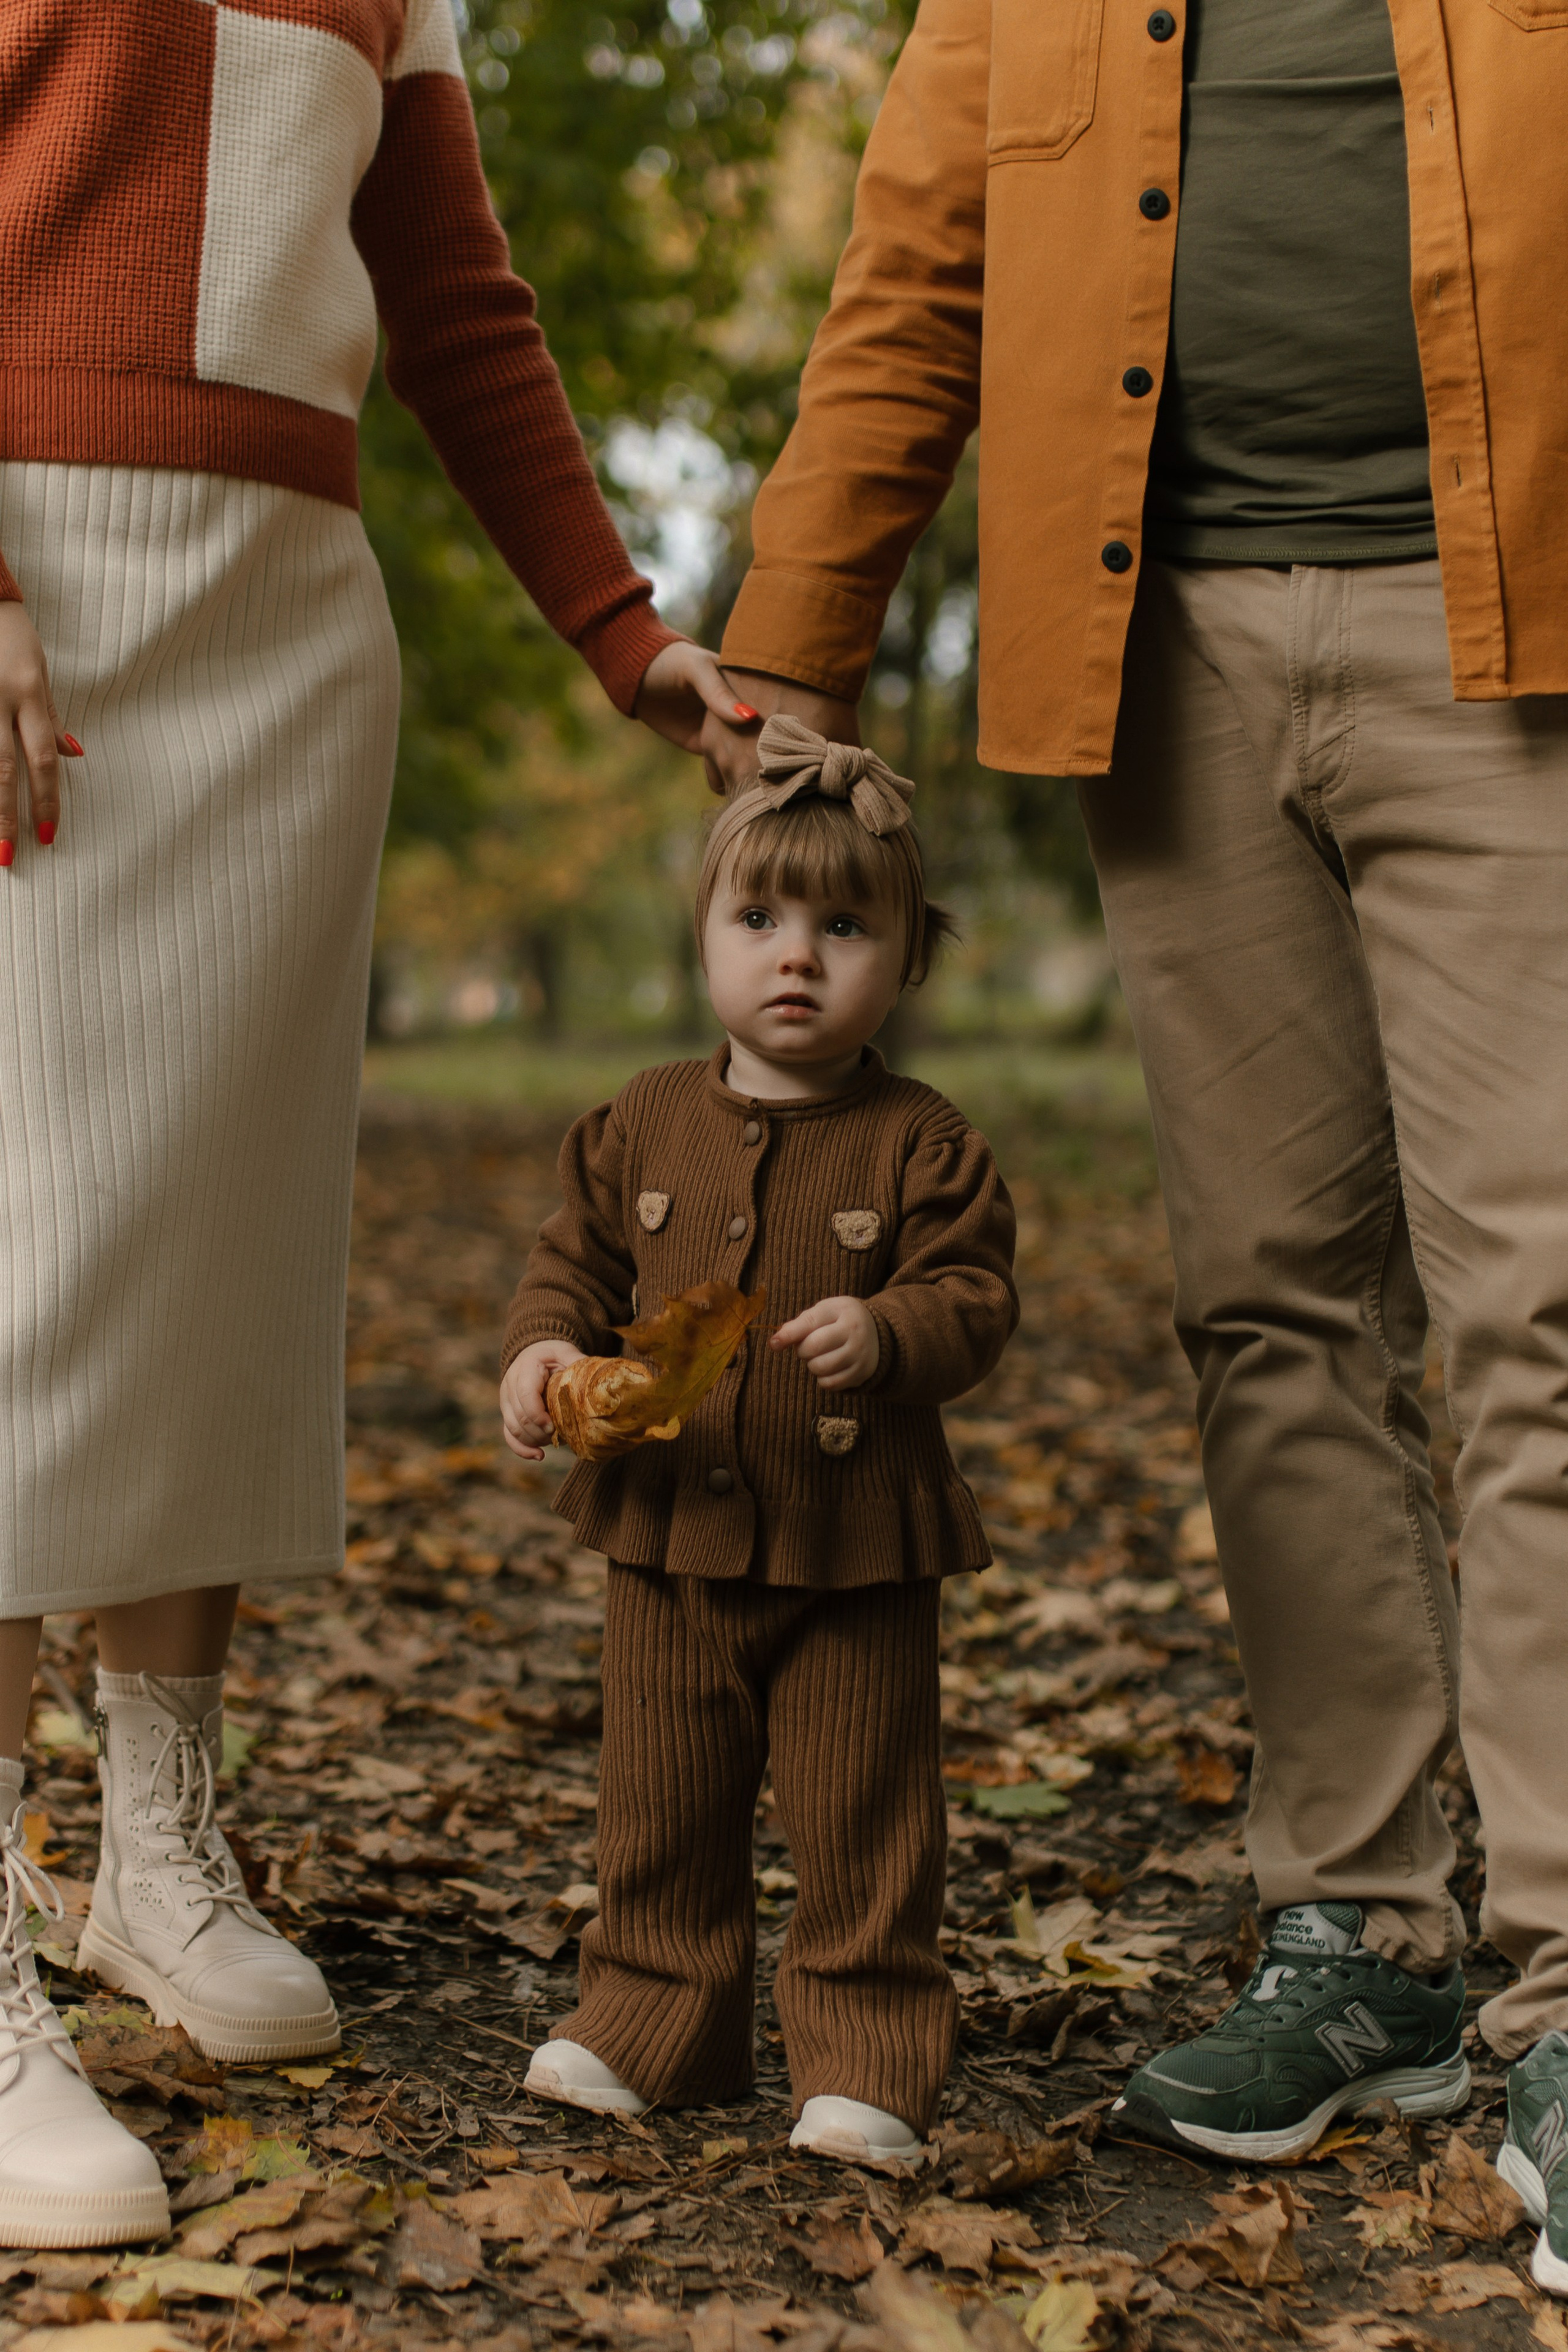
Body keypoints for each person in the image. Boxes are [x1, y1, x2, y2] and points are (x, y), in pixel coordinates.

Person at [690, 0, 1568, 2297]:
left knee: (1542, 1313)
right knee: (1270, 1309)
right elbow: (916, 274)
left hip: (1515, 627)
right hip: (1160, 649)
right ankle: (1362, 1937)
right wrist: (803, 642)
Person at [0, 0, 743, 2250]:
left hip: (287, 634)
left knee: (217, 1263)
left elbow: (456, 302)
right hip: (35, 595)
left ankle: (154, 1849)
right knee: (32, 1268)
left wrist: (624, 633)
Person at [498, 720, 1017, 2160]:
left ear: (905, 958)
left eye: (842, 927)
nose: (796, 956)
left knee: (862, 1814)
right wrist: (542, 1355)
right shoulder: (643, 1120)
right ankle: (652, 2015)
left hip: (855, 1542)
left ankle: (866, 2052)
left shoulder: (921, 1141)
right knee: (658, 1797)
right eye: (759, 920)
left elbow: (975, 1297)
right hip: (669, 1528)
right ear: (704, 940)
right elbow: (572, 1265)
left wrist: (893, 1330)